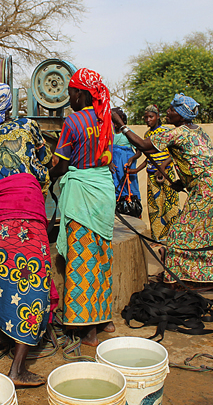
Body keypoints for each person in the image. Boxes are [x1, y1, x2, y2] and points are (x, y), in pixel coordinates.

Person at [112, 93, 213, 298]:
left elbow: (143, 146)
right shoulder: (200, 132)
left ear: (181, 114)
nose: (167, 113)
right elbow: (197, 158)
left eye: (171, 110)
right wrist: (182, 181)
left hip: (206, 190)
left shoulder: (177, 133)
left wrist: (122, 126)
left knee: (178, 234)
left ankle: (170, 284)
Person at [49, 68, 116, 347]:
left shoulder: (74, 121)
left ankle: (87, 330)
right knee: (101, 257)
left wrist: (49, 175)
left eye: (71, 92)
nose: (68, 97)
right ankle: (105, 319)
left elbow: (62, 164)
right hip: (103, 192)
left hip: (82, 196)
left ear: (80, 93)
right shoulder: (105, 120)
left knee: (81, 260)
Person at [0, 83, 53, 387]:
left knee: (3, 277)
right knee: (31, 282)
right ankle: (16, 370)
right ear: (9, 107)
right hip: (25, 210)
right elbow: (43, 164)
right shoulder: (26, 125)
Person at [127, 104, 180, 241]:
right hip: (152, 174)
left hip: (167, 174)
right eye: (146, 117)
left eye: (151, 116)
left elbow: (172, 155)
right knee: (155, 208)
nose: (148, 120)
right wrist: (136, 170)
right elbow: (148, 158)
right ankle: (158, 239)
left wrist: (162, 168)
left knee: (171, 206)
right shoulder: (147, 135)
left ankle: (175, 238)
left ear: (157, 117)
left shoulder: (166, 132)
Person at [110, 107, 141, 206]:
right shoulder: (109, 133)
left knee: (129, 189)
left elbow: (139, 150)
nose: (114, 124)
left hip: (126, 168)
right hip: (113, 169)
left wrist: (132, 158)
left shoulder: (128, 133)